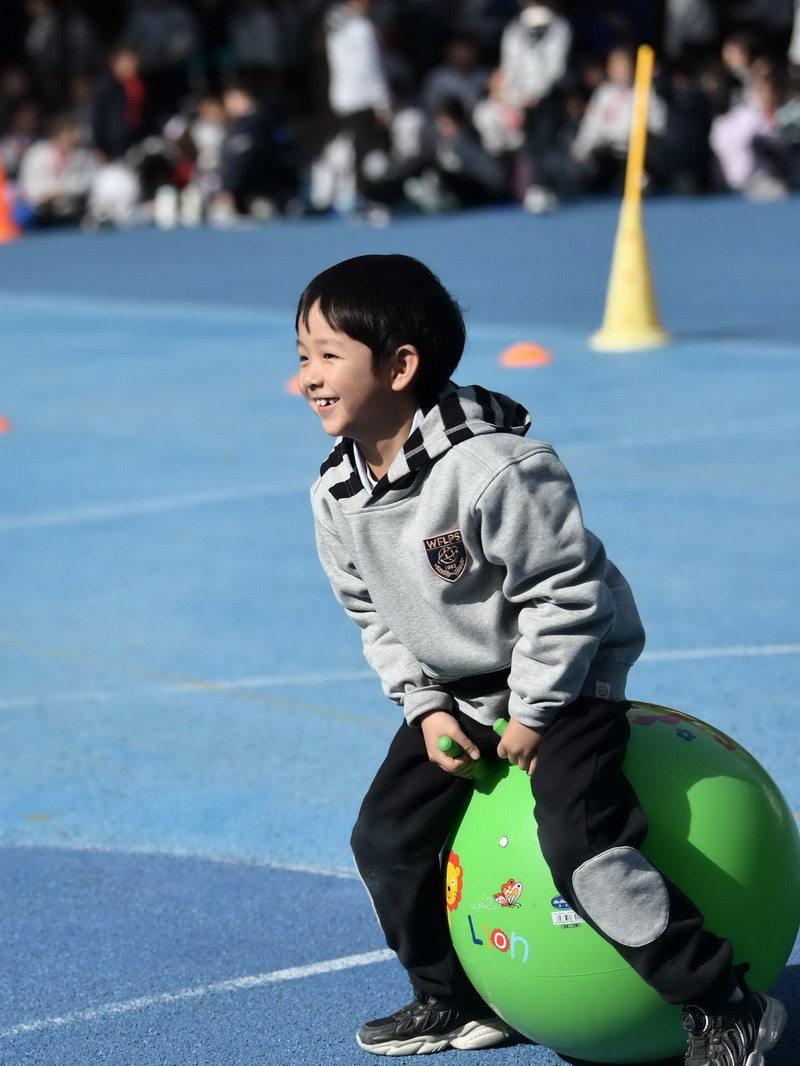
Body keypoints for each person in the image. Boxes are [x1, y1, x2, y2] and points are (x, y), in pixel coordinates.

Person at [295, 253, 788, 1063]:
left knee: (578, 843)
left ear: (401, 366)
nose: (307, 377)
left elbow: (569, 599)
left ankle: (723, 1003)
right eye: (302, 355)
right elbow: (372, 615)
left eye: (326, 354)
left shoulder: (498, 469)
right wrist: (424, 706)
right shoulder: (336, 495)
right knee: (383, 837)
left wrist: (533, 710)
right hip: (460, 692)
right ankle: (451, 999)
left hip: (568, 677)